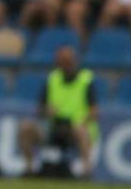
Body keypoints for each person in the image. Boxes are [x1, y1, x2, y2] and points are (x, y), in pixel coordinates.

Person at [18, 46, 99, 178]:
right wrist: (46, 110)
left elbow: (94, 111)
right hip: (53, 126)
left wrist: (82, 122)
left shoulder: (86, 80)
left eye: (68, 62)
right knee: (25, 127)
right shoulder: (52, 79)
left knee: (81, 130)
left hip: (73, 129)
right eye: (62, 62)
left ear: (75, 61)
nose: (65, 66)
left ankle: (86, 171)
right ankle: (29, 168)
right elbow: (40, 109)